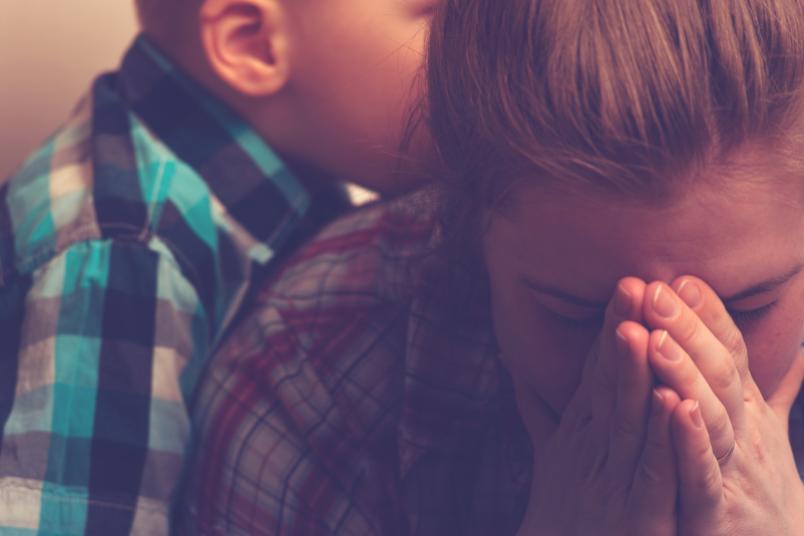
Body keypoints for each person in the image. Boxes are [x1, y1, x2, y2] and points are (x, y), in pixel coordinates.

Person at [178, 0, 804, 534]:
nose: (666, 382)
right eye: (575, 314)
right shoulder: (307, 381)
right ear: (464, 226)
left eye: (747, 307)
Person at [0, 0, 435, 533]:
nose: (483, 50)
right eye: (440, 14)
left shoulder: (292, 159)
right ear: (250, 43)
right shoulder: (126, 259)